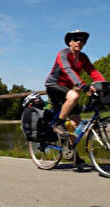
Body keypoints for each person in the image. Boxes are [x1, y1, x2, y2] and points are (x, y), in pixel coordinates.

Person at [45, 30, 106, 163]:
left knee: (76, 124)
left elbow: (92, 71)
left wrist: (106, 85)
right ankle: (58, 123)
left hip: (67, 88)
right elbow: (68, 70)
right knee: (74, 96)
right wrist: (82, 85)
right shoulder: (63, 54)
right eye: (76, 39)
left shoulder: (83, 57)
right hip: (54, 85)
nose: (79, 41)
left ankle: (71, 151)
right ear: (70, 42)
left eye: (82, 40)